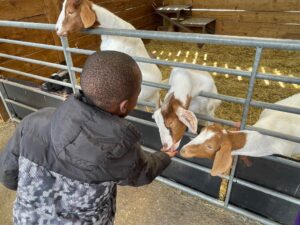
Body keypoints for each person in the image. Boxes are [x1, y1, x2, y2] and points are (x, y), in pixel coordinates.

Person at [0, 51, 176, 225]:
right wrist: (164, 156)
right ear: (124, 106)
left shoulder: (33, 122)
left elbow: (7, 175)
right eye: (136, 95)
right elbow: (144, 174)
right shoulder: (121, 150)